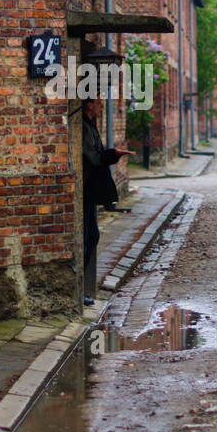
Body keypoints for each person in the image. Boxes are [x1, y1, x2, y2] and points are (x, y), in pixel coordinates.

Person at [82, 98, 134, 305]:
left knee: (92, 237)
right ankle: (79, 290)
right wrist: (112, 155)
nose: (102, 106)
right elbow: (92, 158)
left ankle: (80, 289)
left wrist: (113, 154)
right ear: (88, 105)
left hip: (90, 190)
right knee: (89, 237)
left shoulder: (90, 126)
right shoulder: (84, 128)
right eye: (98, 103)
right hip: (85, 189)